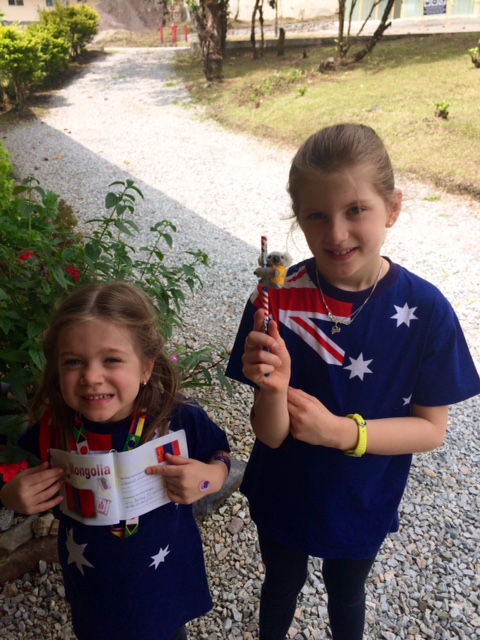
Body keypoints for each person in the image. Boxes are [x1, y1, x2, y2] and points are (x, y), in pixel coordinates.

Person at [225, 123, 480, 640]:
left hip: (364, 497)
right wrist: (274, 389)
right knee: (281, 583)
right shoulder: (276, 302)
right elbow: (270, 434)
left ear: (393, 208)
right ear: (298, 216)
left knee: (346, 592)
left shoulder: (427, 311)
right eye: (316, 215)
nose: (336, 234)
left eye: (356, 210)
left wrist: (342, 432)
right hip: (284, 490)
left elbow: (431, 430)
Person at [0, 282, 231, 640]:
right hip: (92, 583)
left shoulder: (176, 418)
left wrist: (207, 480)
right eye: (74, 361)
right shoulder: (54, 426)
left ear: (146, 367)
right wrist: (11, 496)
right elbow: (22, 482)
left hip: (164, 577)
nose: (92, 377)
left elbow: (221, 454)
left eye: (111, 360)